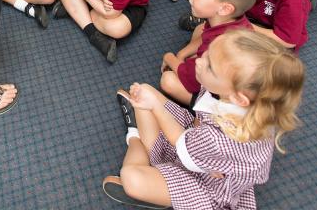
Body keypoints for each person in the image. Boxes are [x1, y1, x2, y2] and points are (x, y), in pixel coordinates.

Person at [103, 29, 305, 210]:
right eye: (207, 53)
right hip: (195, 142)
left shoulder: (223, 138)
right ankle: (155, 178)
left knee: (131, 178)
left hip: (205, 186)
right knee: (145, 91)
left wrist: (155, 108)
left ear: (238, 97)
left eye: (209, 66)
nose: (199, 61)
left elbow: (182, 143)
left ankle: (134, 136)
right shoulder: (229, 94)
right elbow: (196, 127)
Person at [160, 0, 257, 104]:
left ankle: (201, 107)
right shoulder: (227, 20)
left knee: (167, 81)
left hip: (218, 96)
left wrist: (169, 57)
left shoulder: (218, 49)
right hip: (218, 70)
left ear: (224, 9)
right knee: (200, 29)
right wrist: (181, 54)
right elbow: (205, 33)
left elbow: (191, 79)